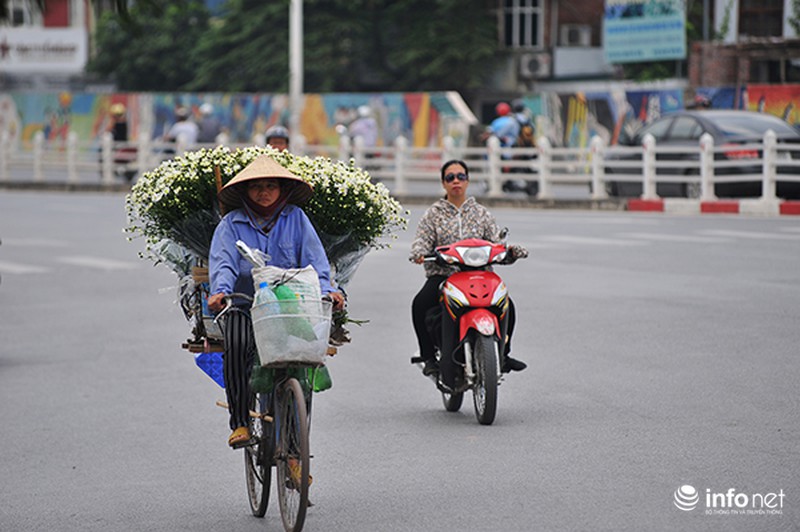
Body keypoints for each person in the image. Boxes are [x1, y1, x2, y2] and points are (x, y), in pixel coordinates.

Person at [207, 154, 345, 448]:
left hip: (290, 306)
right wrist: (220, 291)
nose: (264, 192)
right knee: (237, 343)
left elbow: (315, 261)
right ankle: (240, 421)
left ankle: (295, 449)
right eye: (256, 186)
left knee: (302, 360)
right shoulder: (231, 224)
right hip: (245, 304)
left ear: (282, 189)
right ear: (245, 191)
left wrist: (328, 290)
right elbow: (224, 263)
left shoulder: (296, 218)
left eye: (271, 186)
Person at [409, 159, 527, 383]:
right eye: (450, 177)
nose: (456, 181)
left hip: (480, 275)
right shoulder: (433, 214)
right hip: (444, 275)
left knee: (507, 305)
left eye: (461, 177)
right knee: (420, 304)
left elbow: (497, 243)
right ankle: (428, 356)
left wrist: (510, 252)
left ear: (468, 181)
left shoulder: (481, 213)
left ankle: (503, 354)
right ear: (443, 183)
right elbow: (421, 241)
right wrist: (419, 253)